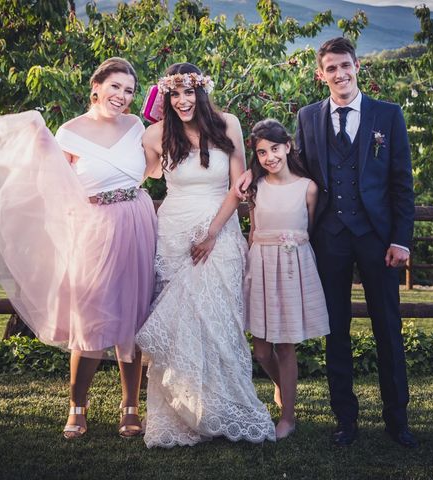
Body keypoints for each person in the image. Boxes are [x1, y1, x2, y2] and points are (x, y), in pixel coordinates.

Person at [236, 37, 417, 448]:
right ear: (321, 75)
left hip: (376, 240)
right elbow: (292, 166)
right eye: (331, 68)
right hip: (329, 240)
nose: (340, 74)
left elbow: (402, 185)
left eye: (346, 66)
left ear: (358, 67)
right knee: (337, 331)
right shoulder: (307, 117)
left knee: (388, 328)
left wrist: (400, 241)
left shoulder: (388, 116)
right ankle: (345, 420)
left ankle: (397, 419)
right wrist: (251, 173)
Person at [0, 57, 157, 439]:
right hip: (93, 227)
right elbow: (53, 187)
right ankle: (77, 406)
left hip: (138, 220)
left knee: (135, 314)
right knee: (90, 317)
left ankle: (130, 407)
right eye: (115, 87)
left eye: (128, 91)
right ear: (97, 88)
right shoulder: (69, 132)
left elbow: (146, 172)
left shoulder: (136, 126)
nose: (122, 97)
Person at [135, 62, 276, 448]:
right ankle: (181, 417)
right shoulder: (156, 133)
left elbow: (239, 186)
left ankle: (224, 408)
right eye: (174, 94)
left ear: (201, 92)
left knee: (219, 320)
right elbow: (139, 174)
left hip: (220, 230)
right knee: (181, 325)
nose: (182, 101)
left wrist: (212, 234)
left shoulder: (227, 123)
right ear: (166, 97)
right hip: (173, 233)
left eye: (188, 92)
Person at [243, 119, 330, 440]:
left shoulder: (307, 187)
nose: (269, 157)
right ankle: (283, 386)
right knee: (262, 351)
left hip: (293, 265)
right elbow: (253, 230)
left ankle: (288, 416)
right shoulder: (256, 186)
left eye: (275, 149)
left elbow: (311, 228)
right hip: (261, 264)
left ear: (288, 146)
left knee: (284, 346)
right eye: (262, 152)